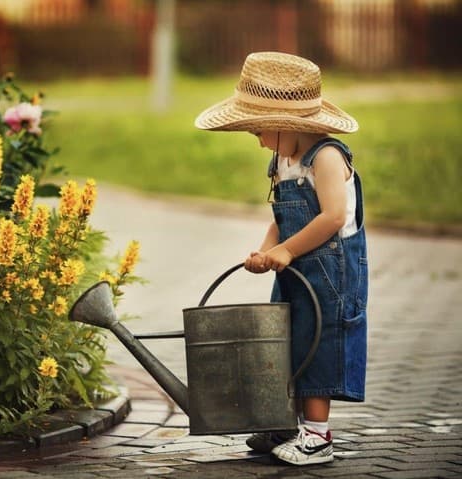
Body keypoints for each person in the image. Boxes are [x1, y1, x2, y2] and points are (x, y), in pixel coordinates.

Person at [194, 51, 368, 466]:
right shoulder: (283, 159)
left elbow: (333, 216)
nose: (256, 140)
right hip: (296, 267)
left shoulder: (326, 157)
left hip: (331, 272)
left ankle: (317, 437)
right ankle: (283, 423)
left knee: (318, 342)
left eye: (259, 129)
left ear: (287, 123)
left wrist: (287, 250)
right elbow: (280, 218)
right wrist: (269, 249)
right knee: (284, 340)